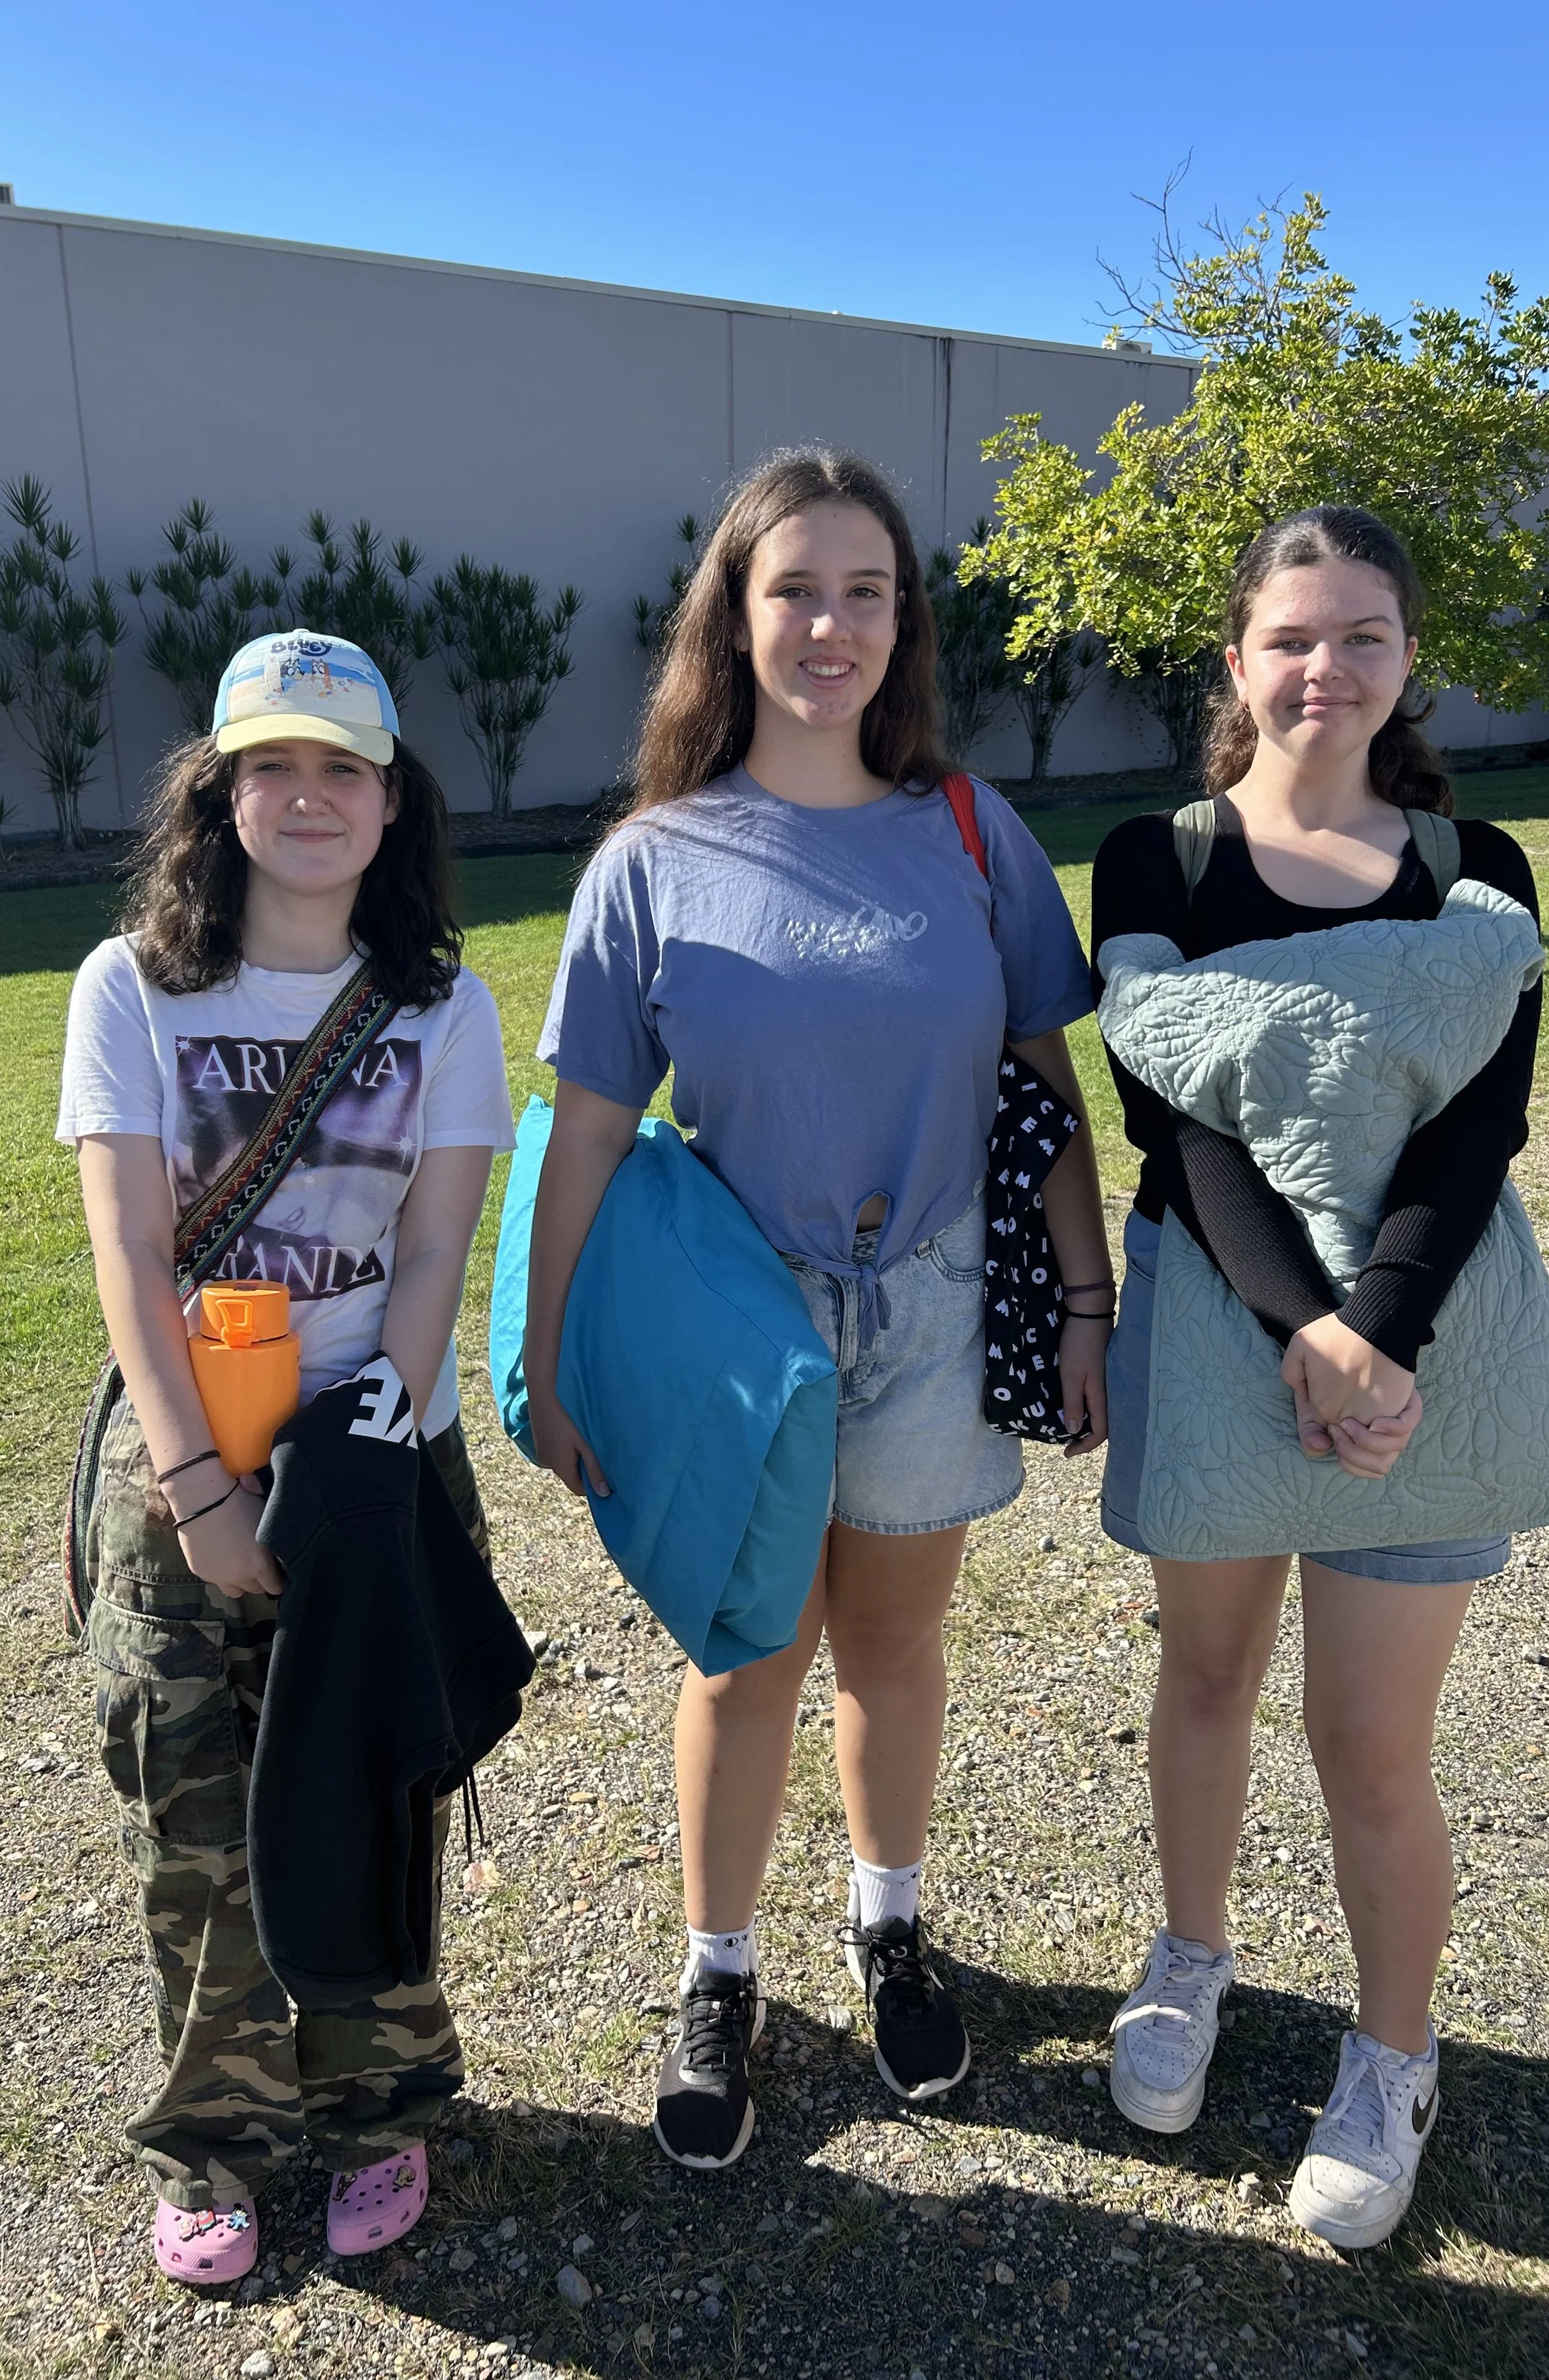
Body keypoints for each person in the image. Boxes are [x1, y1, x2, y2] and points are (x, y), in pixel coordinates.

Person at [525, 450, 1111, 2169]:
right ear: (733, 614)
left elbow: (1042, 1083)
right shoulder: (651, 860)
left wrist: (1086, 1299)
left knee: (893, 1649)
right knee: (745, 1659)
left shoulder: (968, 830)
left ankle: (886, 1921)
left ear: (903, 622)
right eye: (794, 589)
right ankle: (718, 1972)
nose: (830, 625)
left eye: (867, 591)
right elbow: (583, 1134)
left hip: (933, 1305)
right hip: (740, 1331)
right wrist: (548, 1357)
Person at [1091, 508, 1544, 2249]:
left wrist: (1380, 1335)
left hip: (1416, 1354)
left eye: (1362, 634)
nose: (1322, 667)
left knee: (1368, 1744)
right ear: (1235, 658)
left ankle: (1390, 2055)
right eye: (1289, 635)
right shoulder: (1155, 861)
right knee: (1203, 1677)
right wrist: (1300, 1324)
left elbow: (1476, 1128)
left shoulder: (1473, 866)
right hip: (1218, 1323)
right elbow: (1173, 1117)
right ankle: (1187, 1955)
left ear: (1406, 659)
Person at [56, 633, 515, 2282]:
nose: (309, 797)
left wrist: (364, 1452)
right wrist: (198, 1489)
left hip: (376, 1467)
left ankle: (378, 2108)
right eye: (274, 766)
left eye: (343, 768)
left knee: (374, 1788)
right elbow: (128, 1254)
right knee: (195, 1823)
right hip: (182, 1461)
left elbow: (433, 1254)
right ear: (221, 794)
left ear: (391, 804)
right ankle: (218, 2139)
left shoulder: (444, 1006)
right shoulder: (131, 988)